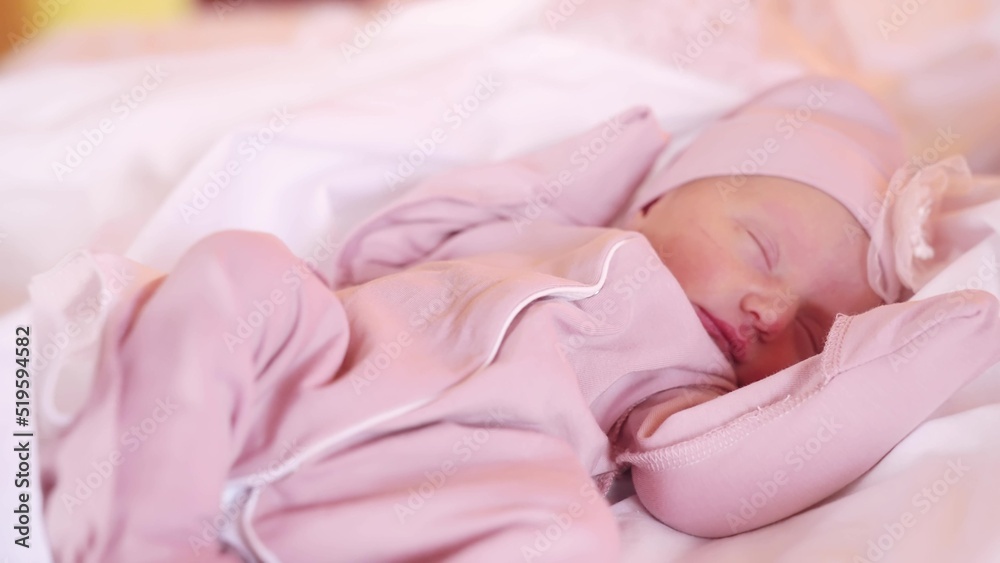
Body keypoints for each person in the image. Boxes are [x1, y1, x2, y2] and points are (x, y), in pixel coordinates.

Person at [39, 77, 1000, 562]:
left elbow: (705, 480)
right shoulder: (559, 232)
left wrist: (922, 347)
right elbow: (384, 249)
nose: (769, 306)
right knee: (239, 269)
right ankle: (137, 521)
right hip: (318, 363)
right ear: (664, 198)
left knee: (568, 530)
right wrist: (582, 174)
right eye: (760, 248)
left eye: (808, 326)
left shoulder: (680, 396)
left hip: (456, 472)